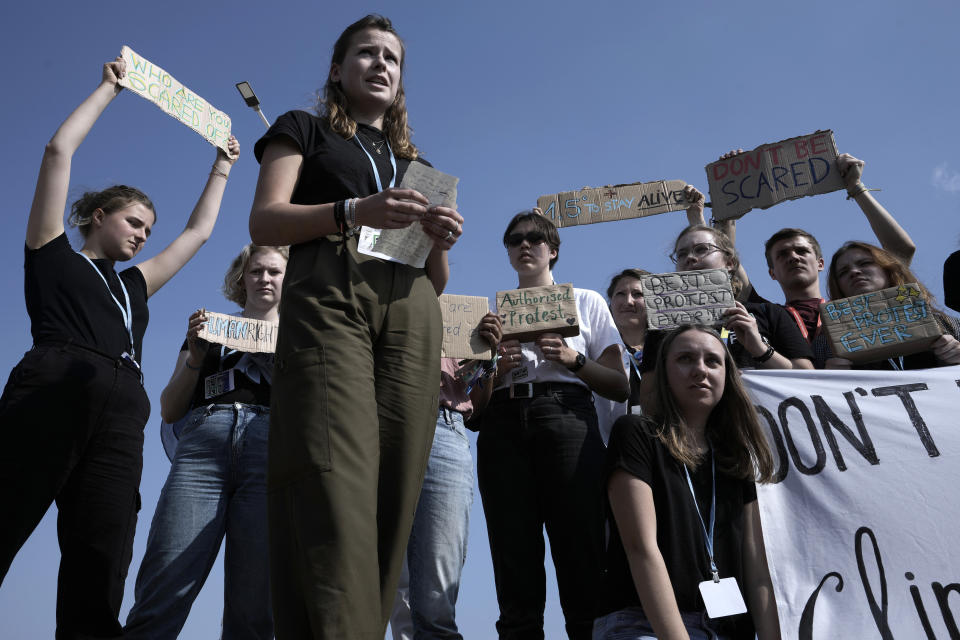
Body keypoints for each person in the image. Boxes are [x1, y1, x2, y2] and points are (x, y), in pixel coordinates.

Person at [0, 58, 238, 638]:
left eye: (148, 231)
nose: (142, 235)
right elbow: (57, 153)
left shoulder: (135, 285)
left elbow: (197, 235)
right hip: (54, 388)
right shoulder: (51, 251)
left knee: (100, 559)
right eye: (133, 222)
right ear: (98, 215)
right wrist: (109, 89)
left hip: (121, 414)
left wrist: (223, 167)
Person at [248, 14, 464, 639]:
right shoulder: (303, 128)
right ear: (337, 71)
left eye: (392, 59)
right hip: (331, 291)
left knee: (396, 490)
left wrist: (440, 239)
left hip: (412, 309)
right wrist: (352, 210)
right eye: (366, 54)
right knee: (333, 475)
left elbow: (437, 281)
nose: (381, 65)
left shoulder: (414, 162)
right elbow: (265, 222)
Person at [476, 210, 628, 639]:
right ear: (507, 252)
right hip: (503, 424)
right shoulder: (490, 313)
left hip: (567, 416)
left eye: (535, 239)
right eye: (515, 240)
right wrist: (494, 370)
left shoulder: (587, 301)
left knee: (580, 552)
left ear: (553, 251)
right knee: (513, 556)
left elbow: (619, 386)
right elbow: (474, 405)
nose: (525, 245)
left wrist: (572, 359)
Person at [124, 244, 287, 639]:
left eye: (274, 272)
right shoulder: (210, 328)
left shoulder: (305, 338)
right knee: (166, 576)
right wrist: (196, 356)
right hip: (203, 451)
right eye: (255, 272)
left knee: (255, 600)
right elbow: (168, 408)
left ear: (289, 280)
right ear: (240, 279)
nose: (264, 279)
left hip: (270, 452)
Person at [594, 325, 781, 640]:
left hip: (728, 629)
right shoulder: (636, 434)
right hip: (644, 624)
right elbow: (641, 549)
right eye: (685, 359)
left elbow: (757, 570)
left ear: (728, 375)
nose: (700, 369)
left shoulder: (735, 457)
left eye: (713, 361)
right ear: (665, 374)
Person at [389, 314, 502, 640]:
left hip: (446, 426)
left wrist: (489, 358)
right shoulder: (370, 303)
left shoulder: (461, 317)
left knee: (436, 597)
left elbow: (477, 409)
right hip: (382, 427)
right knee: (375, 585)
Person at [753, 154, 916, 367]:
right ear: (771, 273)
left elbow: (900, 252)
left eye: (802, 251)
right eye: (782, 254)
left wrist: (855, 187)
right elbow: (729, 274)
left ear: (821, 263)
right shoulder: (767, 315)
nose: (793, 257)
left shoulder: (855, 306)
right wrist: (726, 216)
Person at [638, 218, 813, 402]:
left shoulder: (768, 313)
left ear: (729, 263)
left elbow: (808, 378)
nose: (690, 257)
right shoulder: (662, 327)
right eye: (681, 254)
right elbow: (649, 397)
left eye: (701, 249)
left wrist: (761, 350)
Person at [825, 241, 960, 370]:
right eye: (843, 272)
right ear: (838, 286)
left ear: (887, 269)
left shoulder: (947, 323)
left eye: (865, 263)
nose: (854, 272)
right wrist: (828, 378)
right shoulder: (827, 344)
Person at [595, 268, 652, 444]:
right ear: (610, 303)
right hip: (613, 447)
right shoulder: (596, 350)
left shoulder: (669, 349)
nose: (628, 301)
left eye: (638, 294)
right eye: (620, 294)